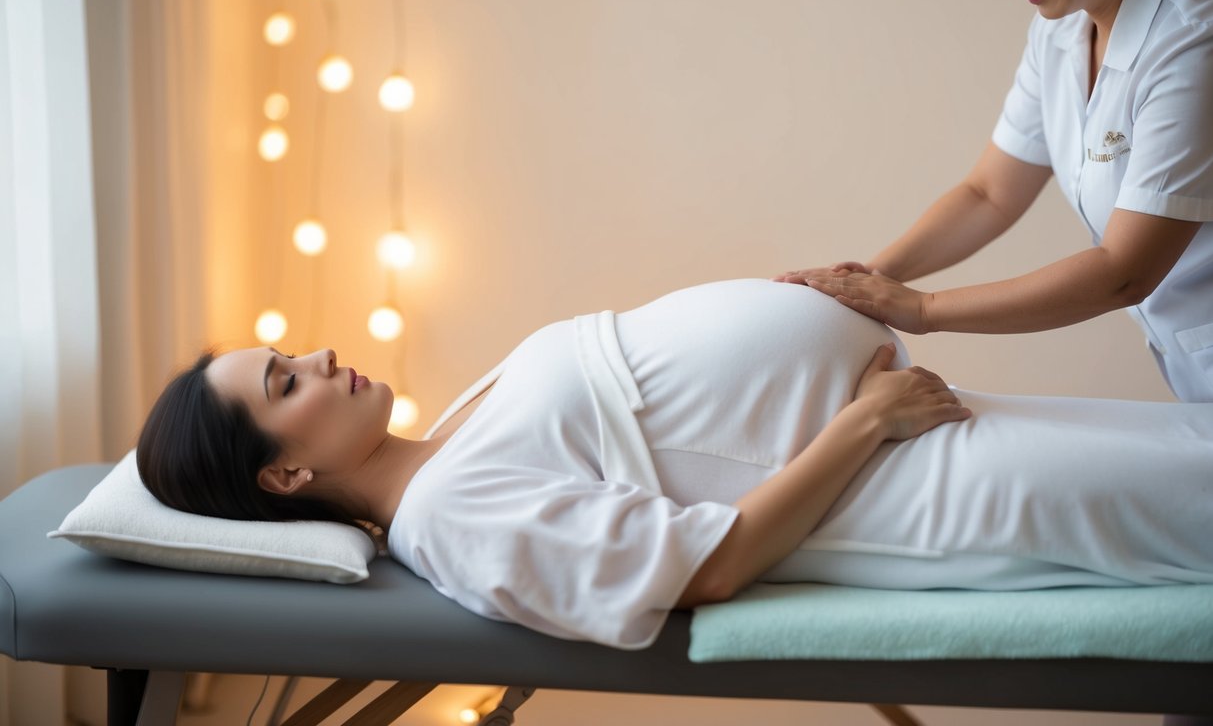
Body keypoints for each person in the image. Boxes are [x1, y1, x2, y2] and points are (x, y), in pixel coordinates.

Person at [137, 279, 1213, 651]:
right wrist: (862, 422)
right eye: (286, 383)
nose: (319, 357)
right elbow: (703, 567)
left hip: (922, 427)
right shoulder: (450, 518)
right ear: (282, 477)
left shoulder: (450, 438)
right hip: (915, 483)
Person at [777, 0, 1213, 403]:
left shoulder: (1194, 40)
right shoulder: (1063, 29)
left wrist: (923, 309)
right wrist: (868, 279)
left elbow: (1125, 273)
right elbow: (990, 193)